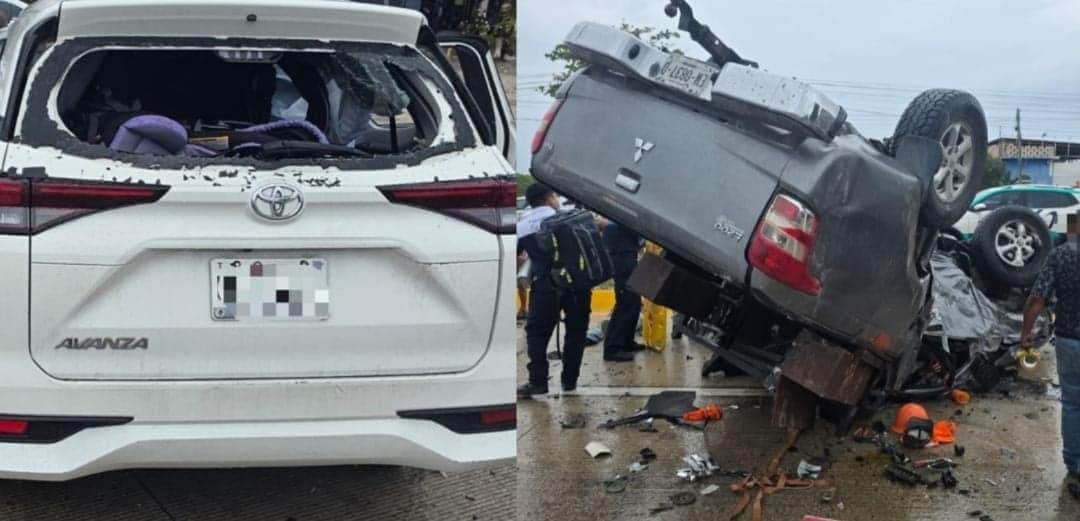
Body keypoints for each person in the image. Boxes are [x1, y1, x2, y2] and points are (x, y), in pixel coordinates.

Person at [517, 183, 591, 397]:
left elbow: (518, 255)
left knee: (537, 334)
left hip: (545, 286)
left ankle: (538, 381)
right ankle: (570, 381)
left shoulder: (523, 225)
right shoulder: (569, 217)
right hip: (577, 285)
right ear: (549, 198)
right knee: (576, 332)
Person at [1020, 213, 1080, 479]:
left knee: (1072, 404)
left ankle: (1074, 463)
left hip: (1069, 341)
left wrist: (1026, 333)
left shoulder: (1061, 256)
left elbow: (1036, 299)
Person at [599, 217, 644, 362]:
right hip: (621, 255)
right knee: (626, 302)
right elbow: (605, 223)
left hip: (627, 253)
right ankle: (612, 349)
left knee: (634, 301)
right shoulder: (614, 213)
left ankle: (626, 341)